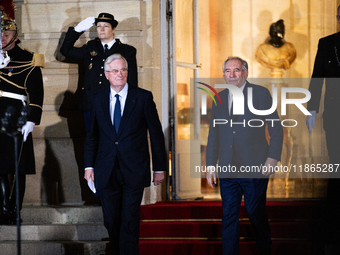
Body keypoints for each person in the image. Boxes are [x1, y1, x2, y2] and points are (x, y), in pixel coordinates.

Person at [84, 54, 166, 255]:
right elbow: (92, 136)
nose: (120, 74)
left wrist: (160, 168)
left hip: (134, 169)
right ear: (106, 74)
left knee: (129, 219)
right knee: (111, 220)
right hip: (106, 169)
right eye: (115, 71)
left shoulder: (143, 97)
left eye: (123, 70)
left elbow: (156, 136)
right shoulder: (97, 99)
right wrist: (88, 167)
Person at [206, 57, 283, 255]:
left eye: (236, 70)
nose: (231, 75)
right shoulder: (218, 98)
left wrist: (272, 158)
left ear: (245, 73)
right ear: (223, 74)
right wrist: (210, 165)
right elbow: (214, 134)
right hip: (228, 167)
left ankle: (264, 250)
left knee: (255, 212)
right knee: (229, 215)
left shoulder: (260, 94)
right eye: (228, 71)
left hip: (255, 166)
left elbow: (276, 128)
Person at [0, 5, 44, 225]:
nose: (1, 37)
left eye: (6, 34)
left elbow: (36, 92)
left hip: (17, 116)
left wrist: (31, 119)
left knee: (18, 166)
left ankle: (16, 210)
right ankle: (4, 208)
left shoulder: (28, 59)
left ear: (15, 36)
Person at [60, 13, 138, 130]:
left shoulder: (126, 51)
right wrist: (77, 30)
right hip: (91, 103)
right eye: (98, 26)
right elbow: (66, 51)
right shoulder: (90, 47)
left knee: (113, 141)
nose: (101, 29)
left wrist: (130, 106)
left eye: (105, 26)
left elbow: (131, 80)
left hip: (115, 104)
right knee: (92, 141)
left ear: (113, 29)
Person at [306, 5, 340, 253]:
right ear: (337, 17)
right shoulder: (326, 43)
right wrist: (312, 109)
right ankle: (334, 229)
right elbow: (316, 78)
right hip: (335, 118)